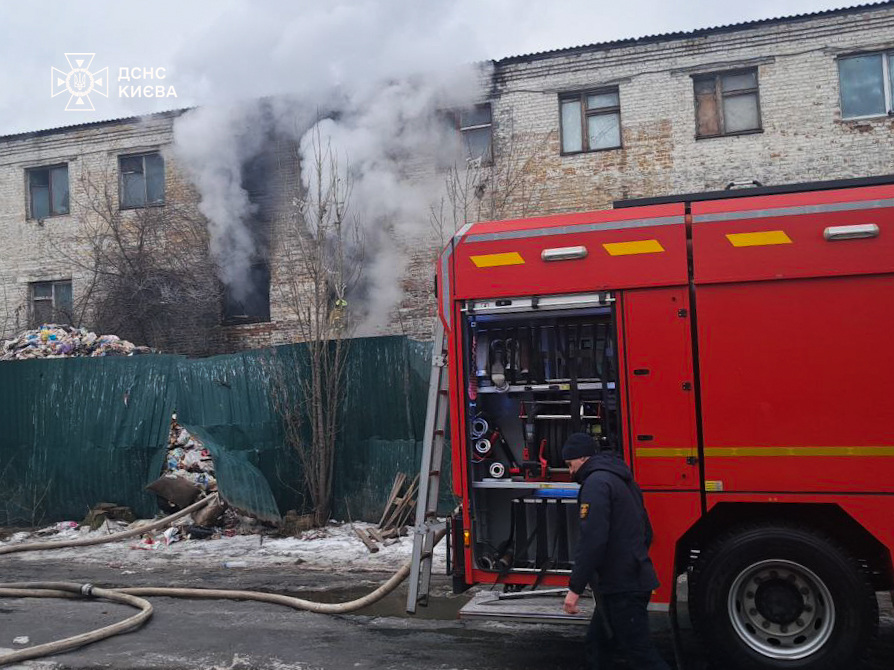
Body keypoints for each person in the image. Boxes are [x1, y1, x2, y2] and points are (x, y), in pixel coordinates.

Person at [561, 432, 670, 670]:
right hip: (629, 580)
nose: (570, 473)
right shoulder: (622, 479)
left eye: (570, 465)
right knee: (598, 646)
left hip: (622, 586)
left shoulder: (595, 484)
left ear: (582, 458)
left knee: (641, 654)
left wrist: (574, 589)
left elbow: (592, 540)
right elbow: (647, 531)